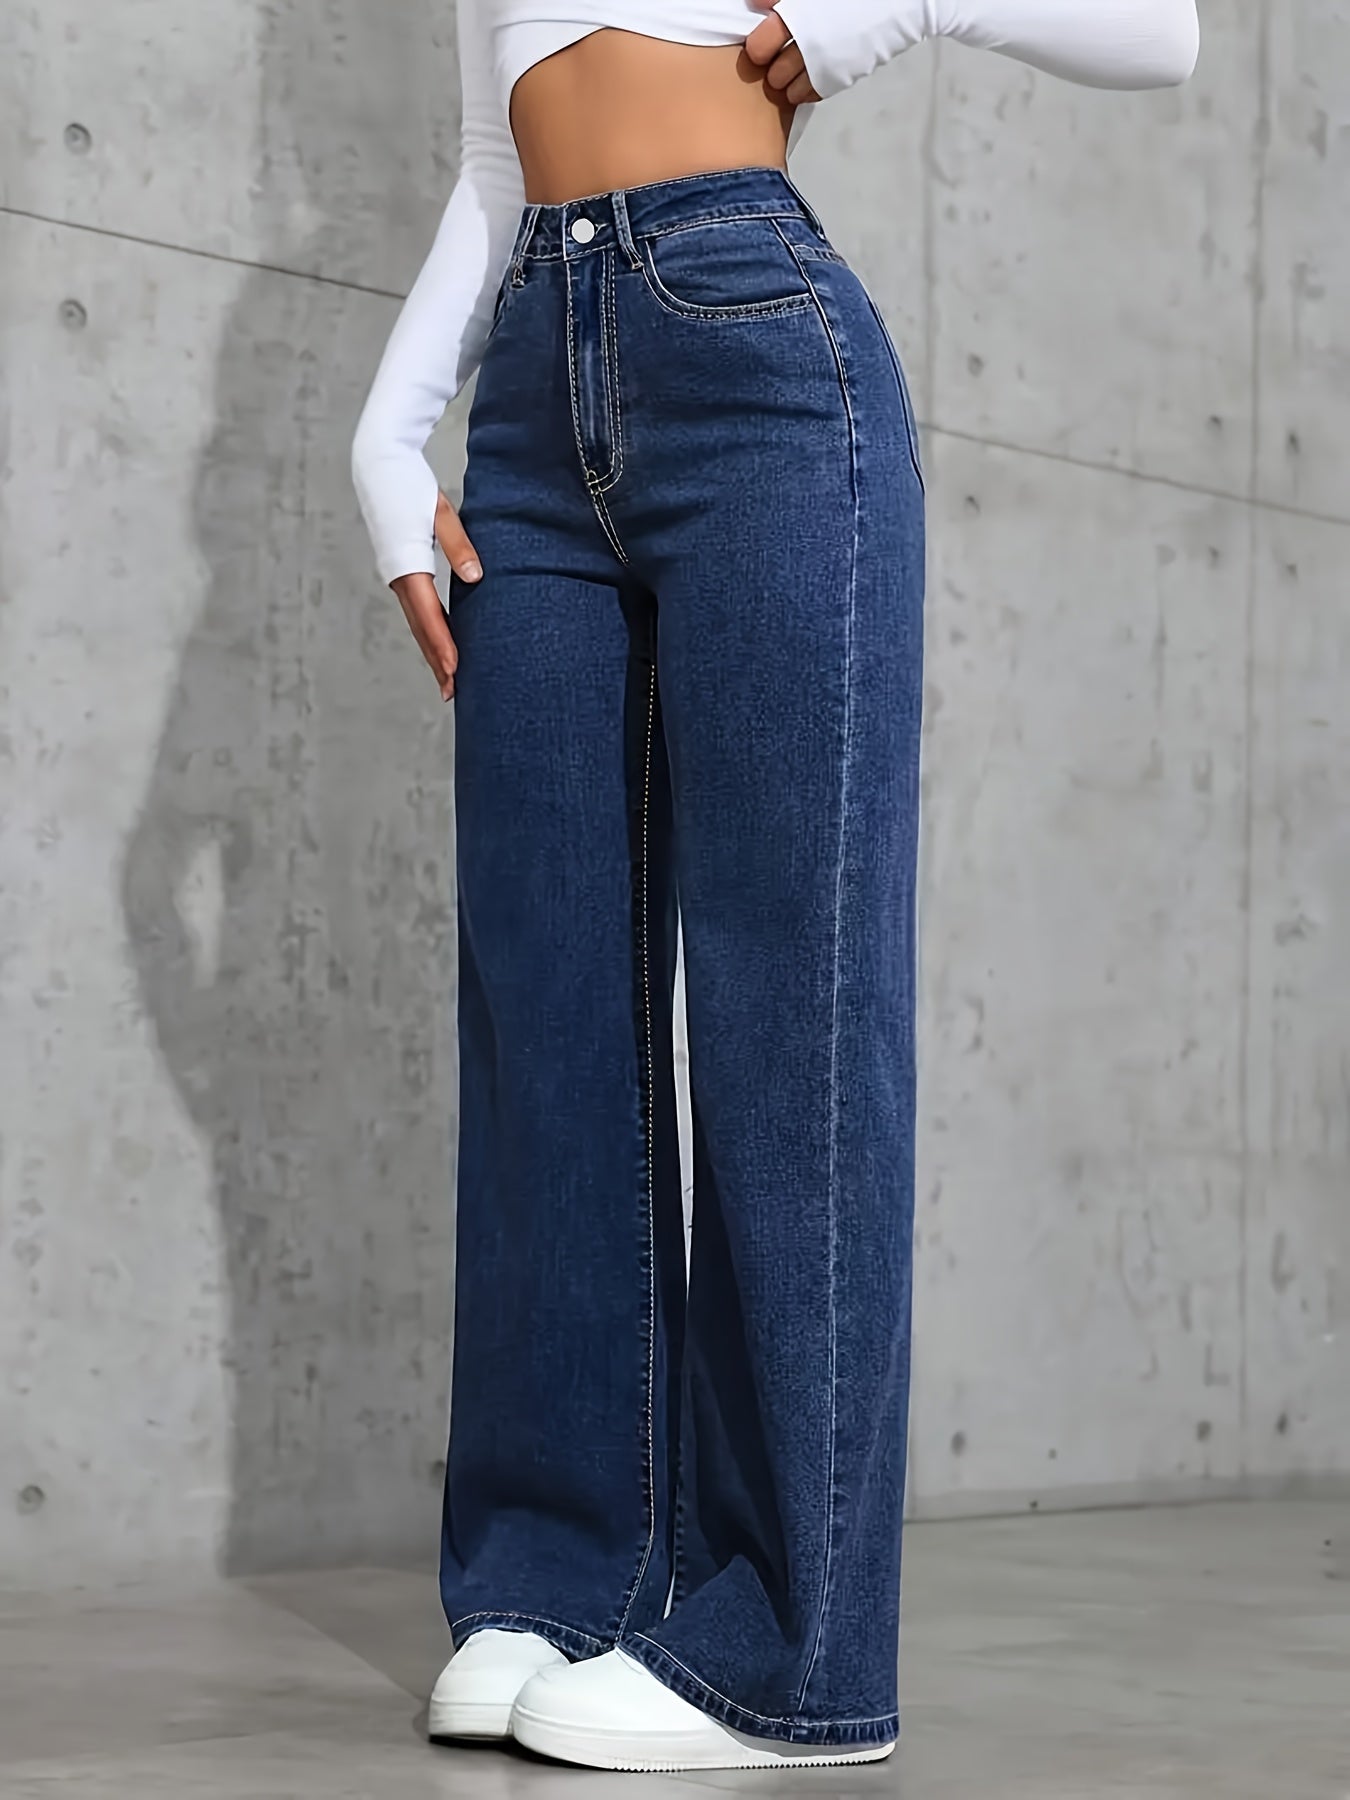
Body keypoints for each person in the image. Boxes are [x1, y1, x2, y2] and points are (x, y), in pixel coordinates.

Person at [350, 0, 1199, 1773]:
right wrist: (388, 430)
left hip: (752, 350)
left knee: (789, 1008)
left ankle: (782, 1657)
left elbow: (1162, 31)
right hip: (530, 399)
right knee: (543, 1003)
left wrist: (896, 3)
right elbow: (497, 150)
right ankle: (557, 1578)